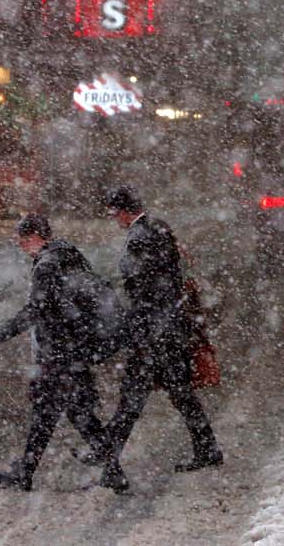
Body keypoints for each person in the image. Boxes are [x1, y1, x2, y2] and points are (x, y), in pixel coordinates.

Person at [0, 214, 128, 493]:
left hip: (58, 353)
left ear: (35, 236)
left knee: (62, 412)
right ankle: (107, 471)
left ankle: (32, 472)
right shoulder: (70, 254)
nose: (21, 247)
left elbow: (35, 311)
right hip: (76, 349)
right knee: (65, 413)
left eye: (23, 241)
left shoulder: (47, 265)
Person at [102, 186, 223, 472]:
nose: (114, 219)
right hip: (170, 326)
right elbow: (171, 278)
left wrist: (133, 324)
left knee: (141, 393)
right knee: (172, 392)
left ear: (123, 211)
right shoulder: (158, 228)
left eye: (114, 213)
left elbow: (142, 288)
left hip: (156, 331)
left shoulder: (139, 237)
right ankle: (207, 448)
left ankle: (107, 455)